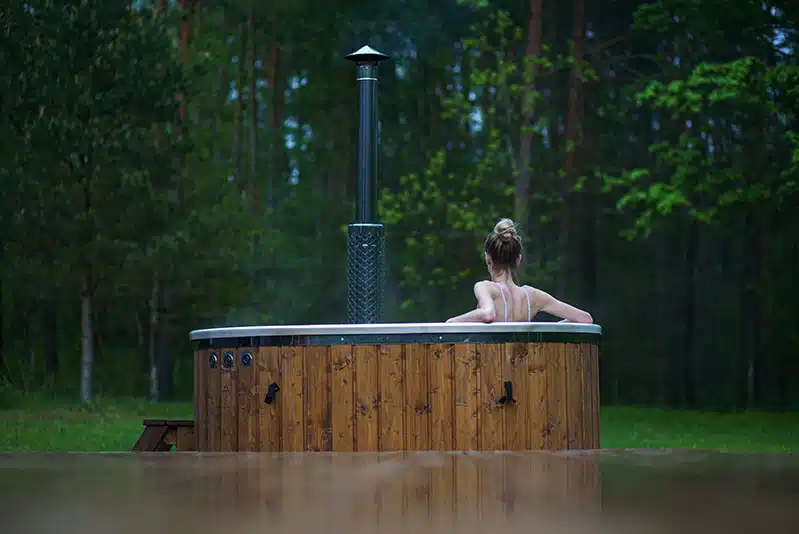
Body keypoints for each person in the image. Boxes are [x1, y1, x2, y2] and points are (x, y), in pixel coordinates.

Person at [445, 218, 593, 324]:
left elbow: (488, 314)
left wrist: (451, 322)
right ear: (518, 260)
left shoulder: (485, 287)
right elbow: (585, 319)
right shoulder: (532, 295)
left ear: (487, 258)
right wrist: (556, 328)